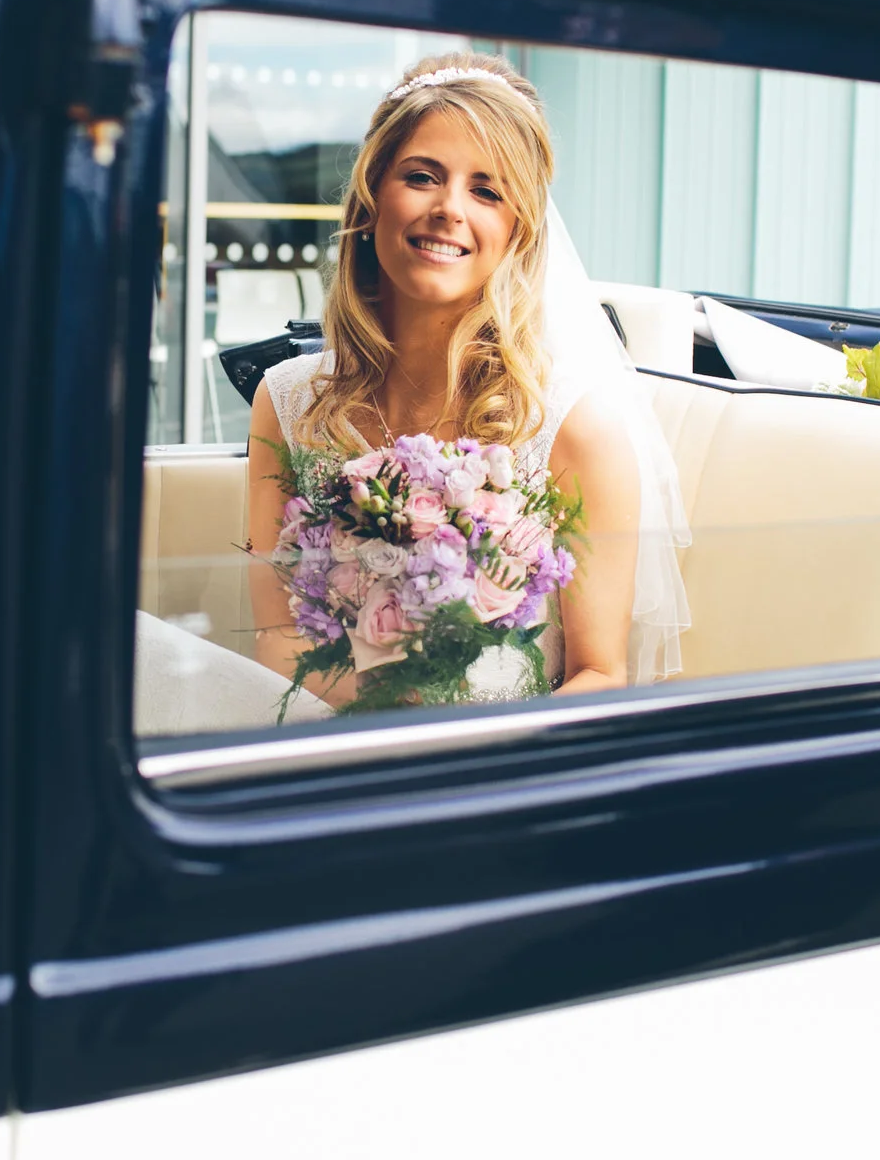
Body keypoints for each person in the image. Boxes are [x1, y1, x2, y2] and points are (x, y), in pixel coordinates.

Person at [134, 52, 691, 734]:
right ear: (371, 202)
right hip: (317, 744)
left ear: (517, 232)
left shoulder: (574, 426)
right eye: (422, 176)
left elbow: (600, 676)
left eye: (487, 191)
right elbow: (278, 636)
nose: (449, 208)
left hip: (491, 771)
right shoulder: (284, 404)